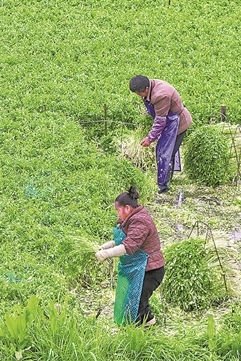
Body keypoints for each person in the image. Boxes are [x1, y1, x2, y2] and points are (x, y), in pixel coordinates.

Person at [95, 186, 165, 326]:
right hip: (141, 269)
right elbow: (124, 240)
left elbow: (128, 246)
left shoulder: (140, 221)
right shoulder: (132, 219)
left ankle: (146, 333)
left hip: (151, 270)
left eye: (118, 210)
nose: (118, 214)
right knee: (133, 302)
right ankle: (142, 329)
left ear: (127, 208)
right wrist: (106, 246)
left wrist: (106, 254)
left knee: (138, 303)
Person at [129, 75, 192, 194]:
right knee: (166, 152)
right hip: (167, 123)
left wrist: (150, 138)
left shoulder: (161, 95)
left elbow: (160, 121)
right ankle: (166, 182)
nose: (139, 96)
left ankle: (163, 187)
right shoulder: (151, 88)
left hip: (176, 124)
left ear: (146, 89)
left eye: (139, 94)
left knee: (165, 153)